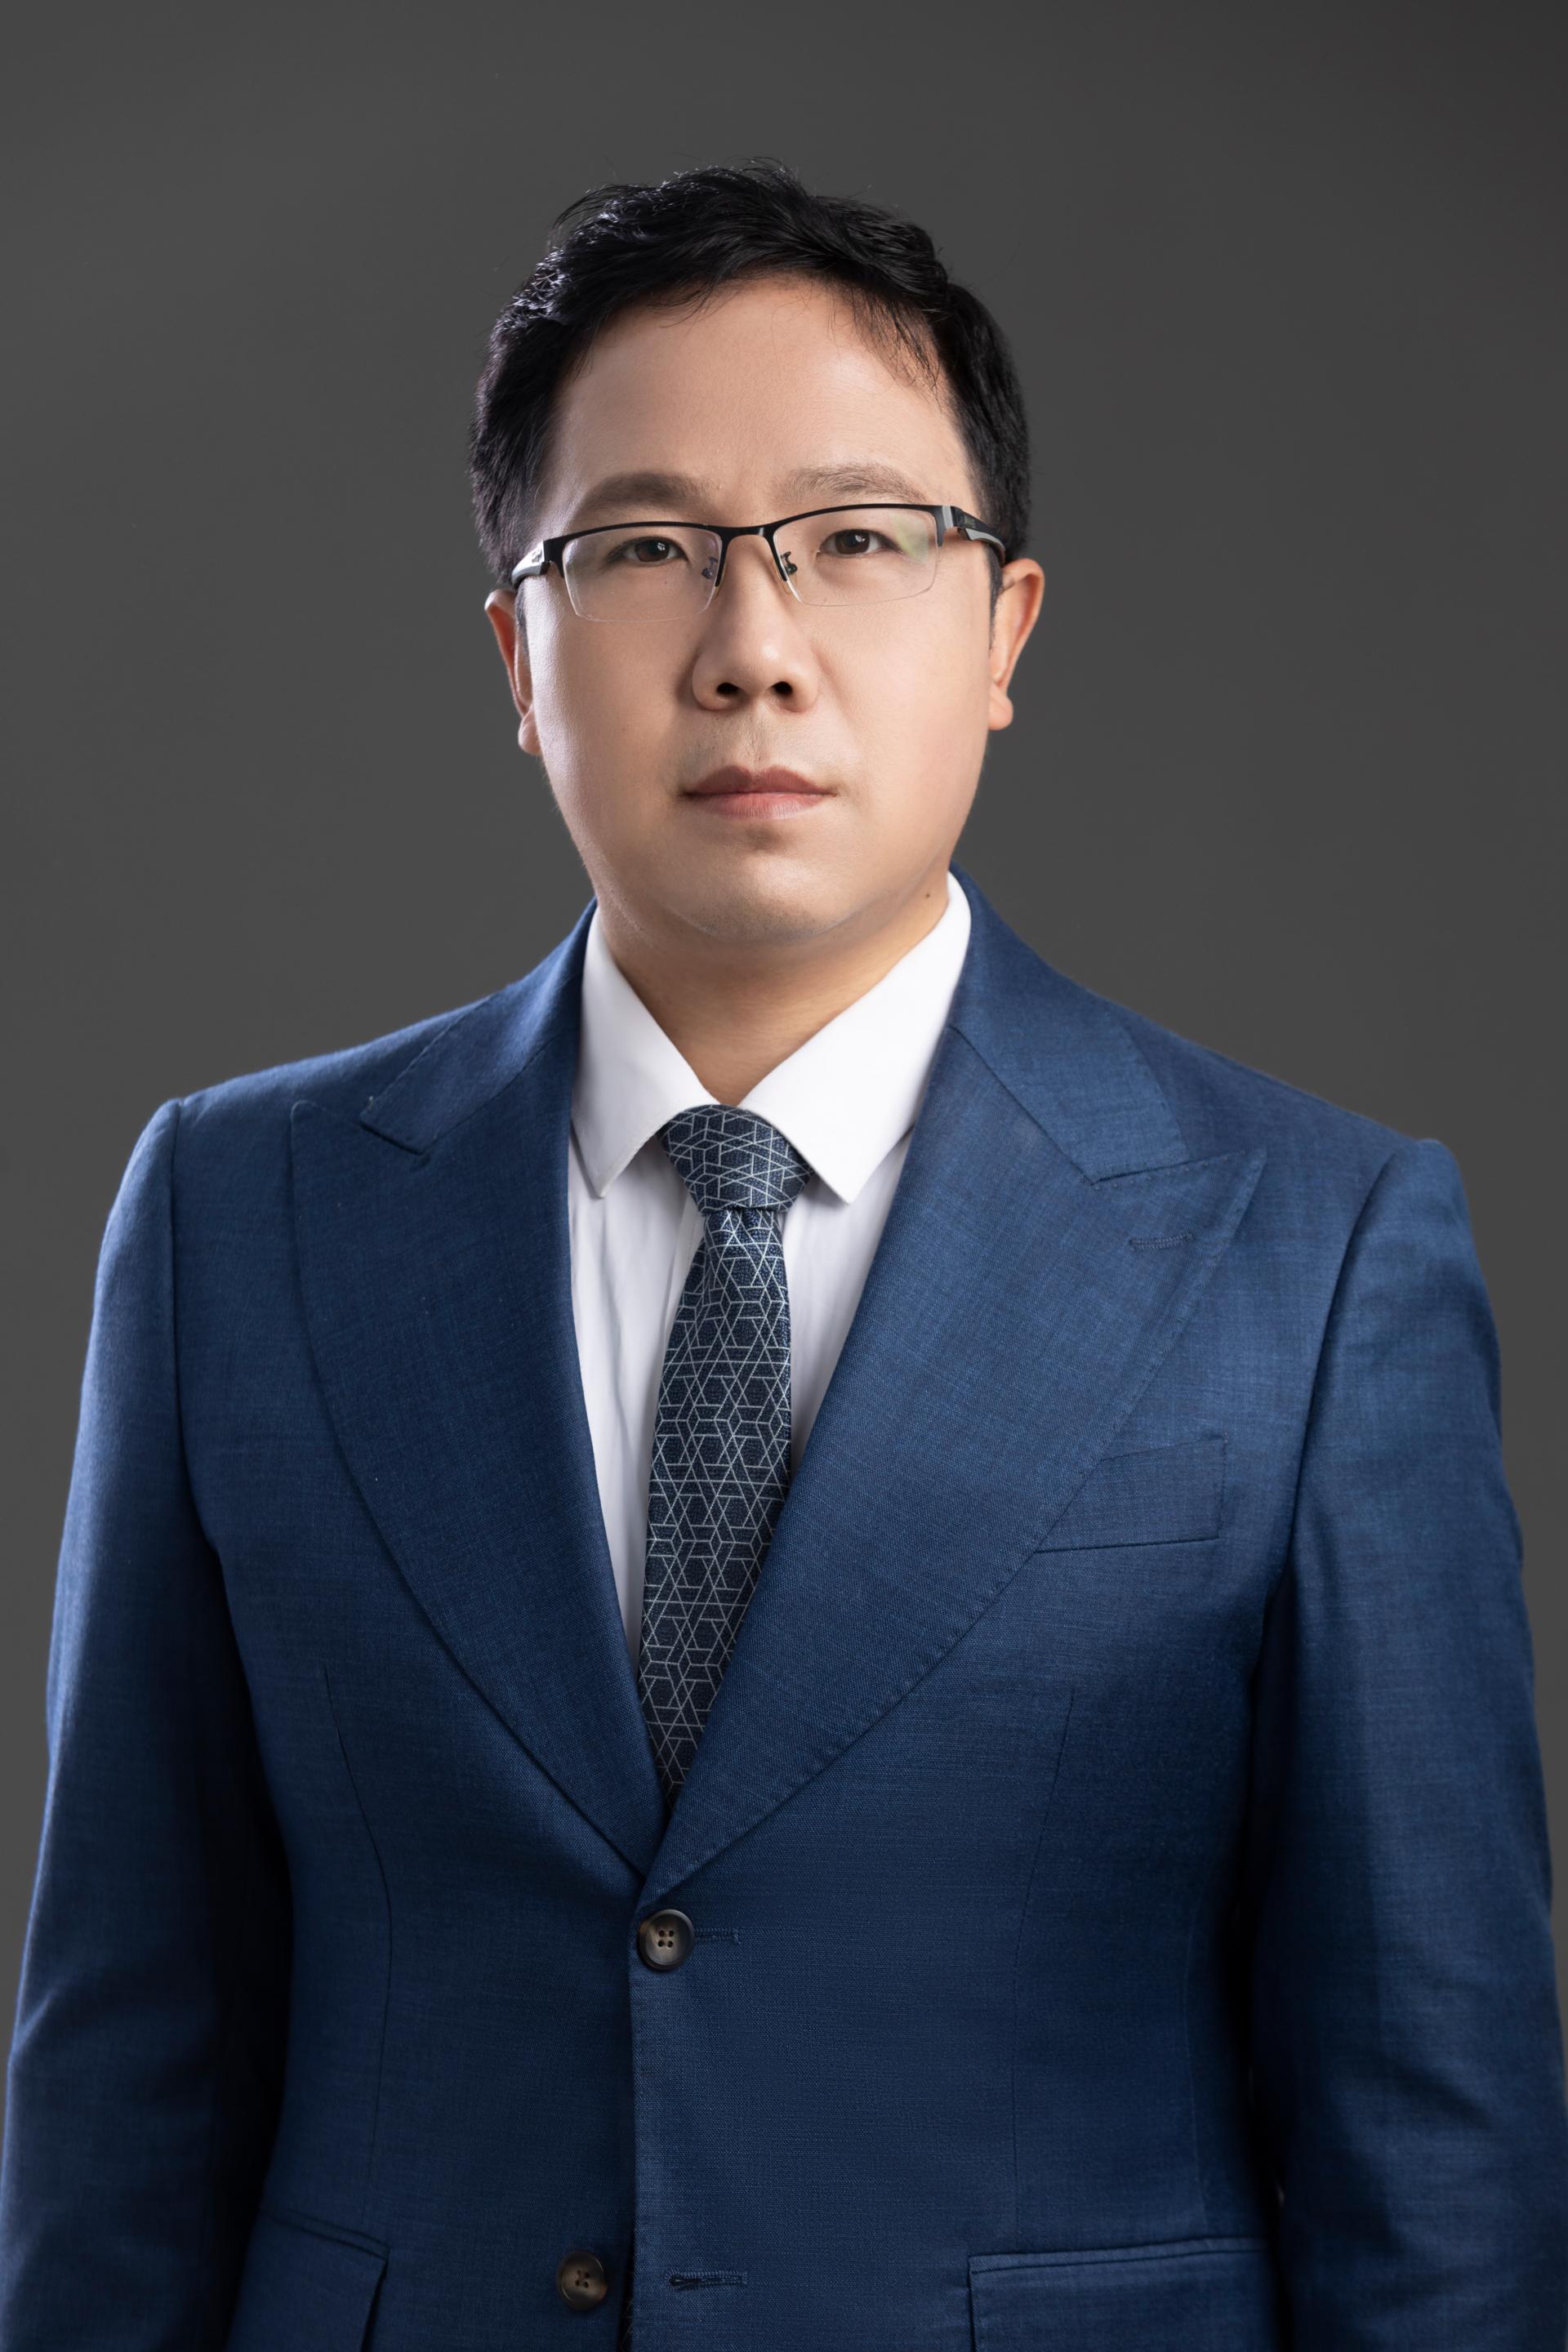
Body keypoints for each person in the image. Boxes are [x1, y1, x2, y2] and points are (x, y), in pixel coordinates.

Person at [1, 156, 1563, 2352]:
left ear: (1004, 632)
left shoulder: (1308, 1249)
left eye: (857, 539)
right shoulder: (238, 1215)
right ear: (519, 655)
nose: (754, 647)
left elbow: (1437, 2136)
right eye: (645, 550)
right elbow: (124, 2069)